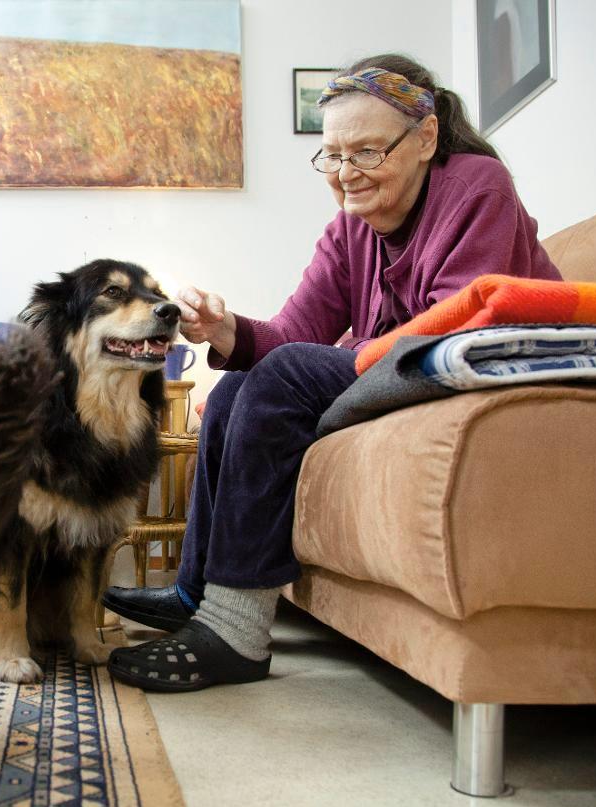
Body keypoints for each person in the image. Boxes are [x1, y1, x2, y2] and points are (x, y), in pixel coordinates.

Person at [103, 54, 563, 692]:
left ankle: (236, 632)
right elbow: (292, 332)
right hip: (402, 368)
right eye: (334, 156)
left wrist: (340, 353)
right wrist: (222, 327)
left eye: (369, 152)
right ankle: (195, 591)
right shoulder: (350, 227)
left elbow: (461, 321)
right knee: (236, 383)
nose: (347, 174)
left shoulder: (477, 185)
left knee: (286, 373)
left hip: (479, 366)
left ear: (426, 137)